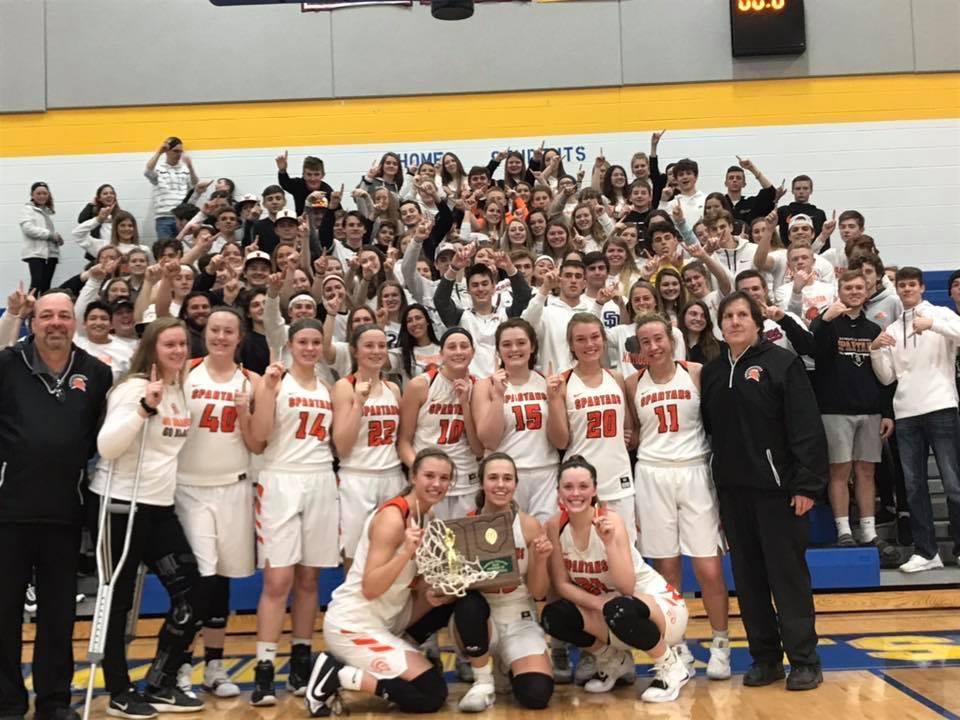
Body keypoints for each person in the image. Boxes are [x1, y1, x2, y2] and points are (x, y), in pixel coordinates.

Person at [700, 291, 828, 691]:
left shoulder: (782, 363)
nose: (735, 322)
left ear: (758, 323)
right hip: (734, 493)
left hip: (780, 491)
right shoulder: (714, 371)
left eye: (743, 315)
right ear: (720, 325)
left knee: (787, 578)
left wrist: (807, 484)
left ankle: (805, 661)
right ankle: (765, 659)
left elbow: (806, 427)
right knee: (749, 579)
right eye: (728, 316)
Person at [0, 291, 111, 720]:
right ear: (34, 320)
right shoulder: (8, 364)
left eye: (64, 316)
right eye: (47, 315)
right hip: (8, 511)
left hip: (66, 511)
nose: (56, 323)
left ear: (75, 322)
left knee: (58, 616)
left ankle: (53, 702)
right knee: (4, 614)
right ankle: (8, 702)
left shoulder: (96, 373)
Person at [87, 317, 206, 716]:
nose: (177, 351)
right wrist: (143, 408)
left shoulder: (178, 389)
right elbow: (106, 446)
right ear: (152, 348)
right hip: (119, 505)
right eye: (169, 345)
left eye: (182, 345)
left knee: (192, 596)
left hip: (159, 507)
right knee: (117, 602)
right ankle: (119, 690)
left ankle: (159, 683)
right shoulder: (134, 388)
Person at [304, 450, 459, 717]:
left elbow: (415, 585)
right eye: (429, 476)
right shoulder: (392, 518)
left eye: (444, 478)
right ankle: (339, 673)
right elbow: (371, 587)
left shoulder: (429, 519)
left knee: (452, 598)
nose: (437, 484)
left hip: (388, 619)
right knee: (431, 694)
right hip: (354, 625)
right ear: (412, 476)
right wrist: (406, 553)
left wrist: (439, 589)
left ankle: (397, 656)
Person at [624, 315, 731, 679]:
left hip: (694, 470)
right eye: (645, 342)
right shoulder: (631, 383)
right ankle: (678, 643)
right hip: (652, 473)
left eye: (659, 339)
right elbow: (635, 434)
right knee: (667, 570)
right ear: (639, 349)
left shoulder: (696, 371)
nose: (653, 347)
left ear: (671, 340)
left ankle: (720, 643)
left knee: (708, 567)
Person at [540, 456, 690, 703]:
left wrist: (609, 543)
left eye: (583, 486)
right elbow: (561, 585)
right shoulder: (555, 525)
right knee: (554, 615)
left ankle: (671, 666)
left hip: (661, 608)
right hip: (611, 609)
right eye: (568, 487)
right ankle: (614, 660)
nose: (575, 493)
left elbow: (626, 587)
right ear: (558, 491)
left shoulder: (611, 522)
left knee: (618, 607)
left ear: (595, 490)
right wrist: (599, 604)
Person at [249, 319, 339, 703]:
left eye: (316, 342)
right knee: (278, 580)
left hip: (320, 479)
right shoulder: (275, 381)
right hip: (280, 480)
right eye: (303, 341)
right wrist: (267, 392)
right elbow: (259, 436)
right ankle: (264, 667)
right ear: (290, 344)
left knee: (308, 580)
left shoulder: (328, 387)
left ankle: (301, 659)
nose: (310, 348)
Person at [174, 309, 262, 698]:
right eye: (215, 330)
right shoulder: (183, 372)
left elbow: (259, 441)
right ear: (203, 333)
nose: (221, 337)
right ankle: (179, 666)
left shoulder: (252, 382)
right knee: (199, 578)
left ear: (239, 337)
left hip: (235, 487)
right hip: (190, 488)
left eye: (228, 332)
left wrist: (247, 412)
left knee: (221, 578)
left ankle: (214, 664)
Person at [447, 453, 555, 712]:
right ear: (482, 483)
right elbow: (453, 586)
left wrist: (540, 560)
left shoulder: (529, 525)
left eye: (507, 478)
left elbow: (539, 593)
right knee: (469, 604)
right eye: (493, 478)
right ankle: (482, 681)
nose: (500, 484)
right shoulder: (464, 526)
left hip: (520, 618)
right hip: (480, 621)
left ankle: (507, 666)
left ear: (516, 484)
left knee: (536, 695)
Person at [869, 268, 960, 572]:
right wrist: (875, 352)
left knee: (952, 483)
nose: (907, 289)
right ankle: (926, 552)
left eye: (911, 284)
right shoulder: (893, 328)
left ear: (921, 287)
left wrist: (933, 324)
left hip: (941, 406)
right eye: (902, 285)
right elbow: (887, 377)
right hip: (906, 413)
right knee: (914, 487)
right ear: (896, 289)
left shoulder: (942, 314)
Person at [546, 314, 636, 542]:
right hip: (580, 483)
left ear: (604, 340)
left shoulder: (616, 377)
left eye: (595, 337)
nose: (589, 344)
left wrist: (625, 436)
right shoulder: (563, 382)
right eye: (581, 339)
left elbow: (628, 427)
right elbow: (560, 442)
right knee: (586, 555)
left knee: (625, 549)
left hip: (618, 477)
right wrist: (554, 400)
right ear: (571, 345)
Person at [472, 319, 562, 523]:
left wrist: (554, 399)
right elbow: (488, 441)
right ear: (498, 350)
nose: (514, 349)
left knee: (543, 541)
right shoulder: (484, 386)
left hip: (545, 472)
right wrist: (498, 397)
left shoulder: (546, 383)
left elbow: (561, 441)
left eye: (521, 343)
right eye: (506, 344)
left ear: (532, 347)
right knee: (507, 544)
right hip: (503, 475)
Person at [332, 325, 405, 562]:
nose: (376, 351)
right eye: (369, 346)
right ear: (355, 351)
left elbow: (402, 438)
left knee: (394, 553)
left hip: (392, 477)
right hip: (357, 477)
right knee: (355, 558)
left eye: (382, 346)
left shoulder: (392, 388)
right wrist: (358, 404)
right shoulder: (344, 387)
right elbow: (342, 446)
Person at [398, 328, 483, 519]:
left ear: (473, 351)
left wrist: (465, 403)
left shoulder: (479, 387)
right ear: (441, 353)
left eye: (464, 346)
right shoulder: (421, 385)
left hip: (467, 480)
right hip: (429, 484)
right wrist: (422, 470)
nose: (458, 351)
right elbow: (404, 442)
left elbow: (478, 449)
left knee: (465, 546)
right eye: (452, 347)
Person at [145, 137, 198, 239]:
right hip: (164, 218)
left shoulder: (185, 169)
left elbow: (194, 186)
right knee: (165, 250)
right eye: (175, 151)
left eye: (180, 152)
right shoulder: (159, 169)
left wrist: (190, 167)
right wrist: (159, 152)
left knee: (184, 250)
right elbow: (147, 171)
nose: (178, 154)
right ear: (167, 151)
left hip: (183, 217)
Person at [20, 182, 62, 293]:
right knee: (36, 284)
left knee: (45, 287)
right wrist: (50, 235)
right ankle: (29, 309)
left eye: (44, 193)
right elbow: (28, 229)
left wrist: (57, 238)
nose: (42, 196)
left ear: (48, 195)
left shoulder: (47, 212)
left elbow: (47, 232)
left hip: (51, 255)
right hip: (36, 254)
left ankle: (44, 309)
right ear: (32, 195)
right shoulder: (28, 210)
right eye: (38, 193)